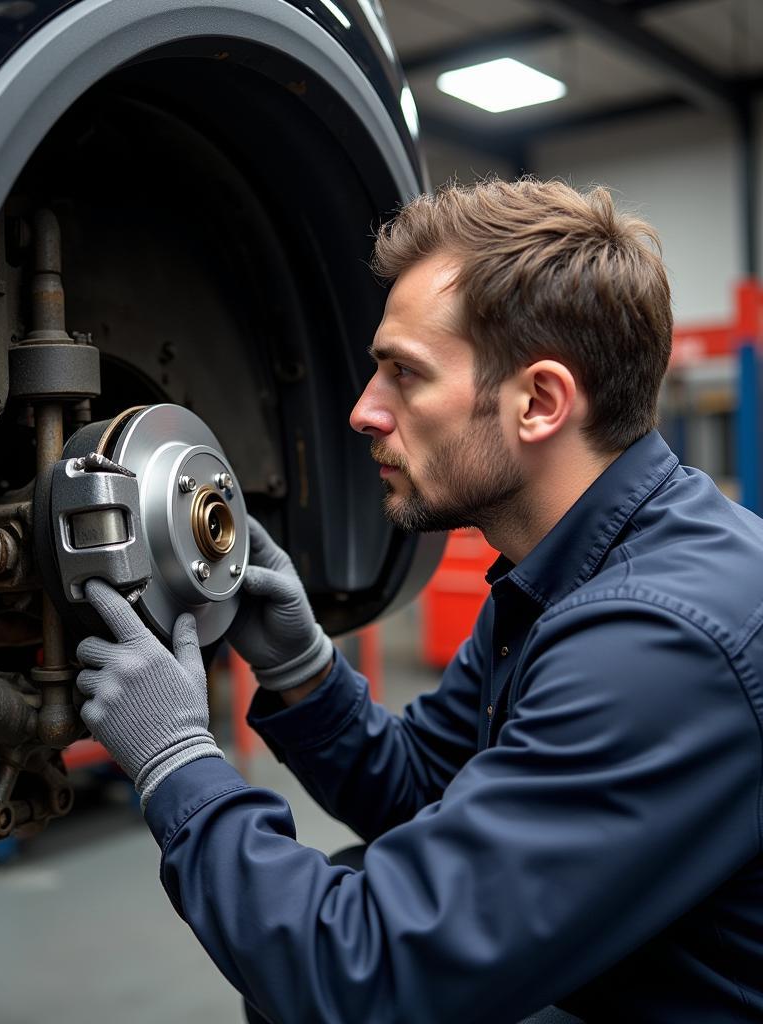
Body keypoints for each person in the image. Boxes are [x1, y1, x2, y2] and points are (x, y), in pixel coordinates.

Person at [74, 178, 763, 1023]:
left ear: (539, 403)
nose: (365, 410)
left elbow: (365, 979)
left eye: (405, 374)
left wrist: (176, 762)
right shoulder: (561, 571)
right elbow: (424, 788)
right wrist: (302, 669)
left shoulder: (654, 641)